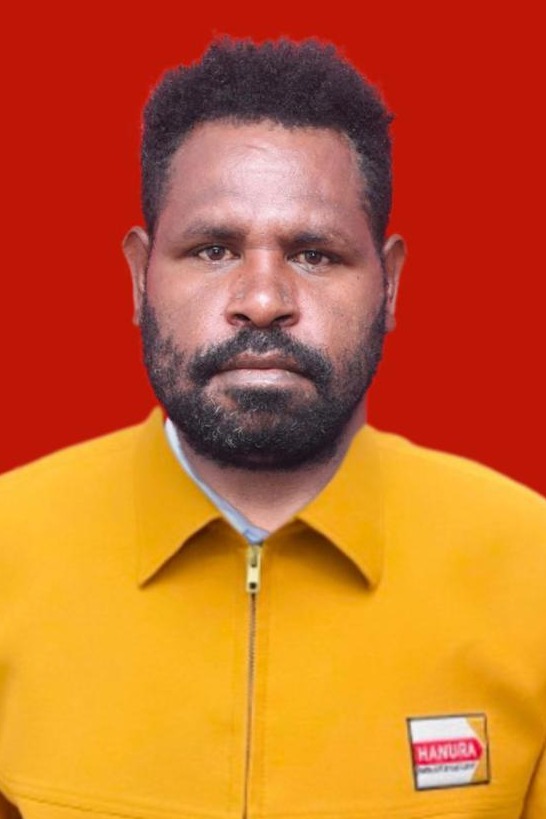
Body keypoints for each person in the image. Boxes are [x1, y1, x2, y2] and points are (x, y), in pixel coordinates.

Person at [0, 36, 545, 819]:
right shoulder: (9, 549)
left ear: (390, 285)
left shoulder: (532, 570)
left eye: (315, 254)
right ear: (140, 276)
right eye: (213, 249)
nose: (262, 300)